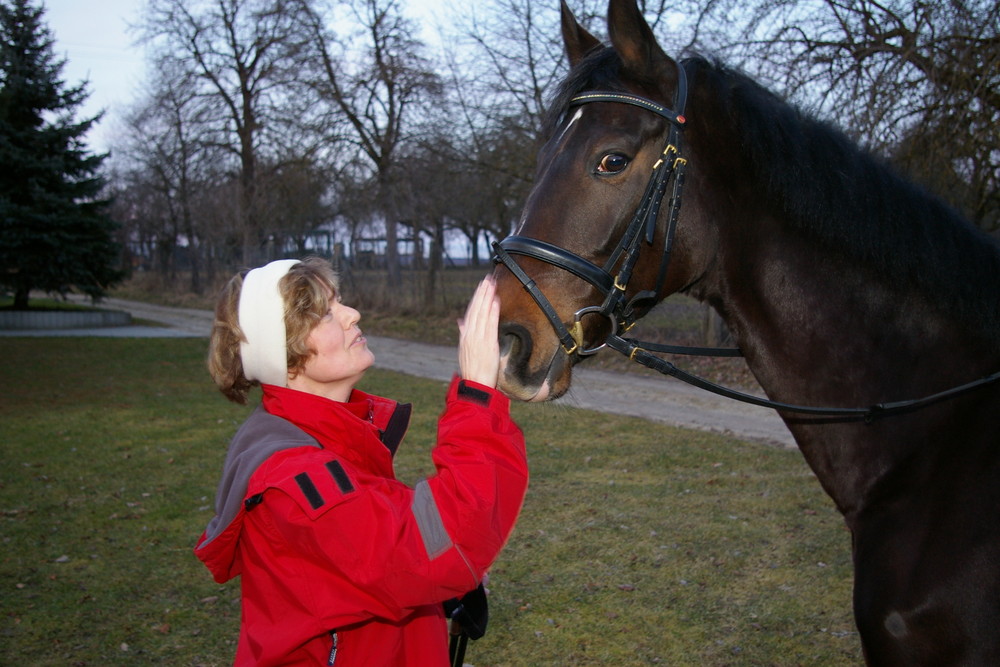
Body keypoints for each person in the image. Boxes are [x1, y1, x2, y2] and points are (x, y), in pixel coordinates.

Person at [194, 257, 528, 666]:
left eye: (341, 303)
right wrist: (477, 397)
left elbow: (378, 565)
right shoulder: (295, 482)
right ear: (285, 354)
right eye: (325, 313)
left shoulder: (330, 441)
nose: (353, 315)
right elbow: (434, 546)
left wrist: (443, 591)